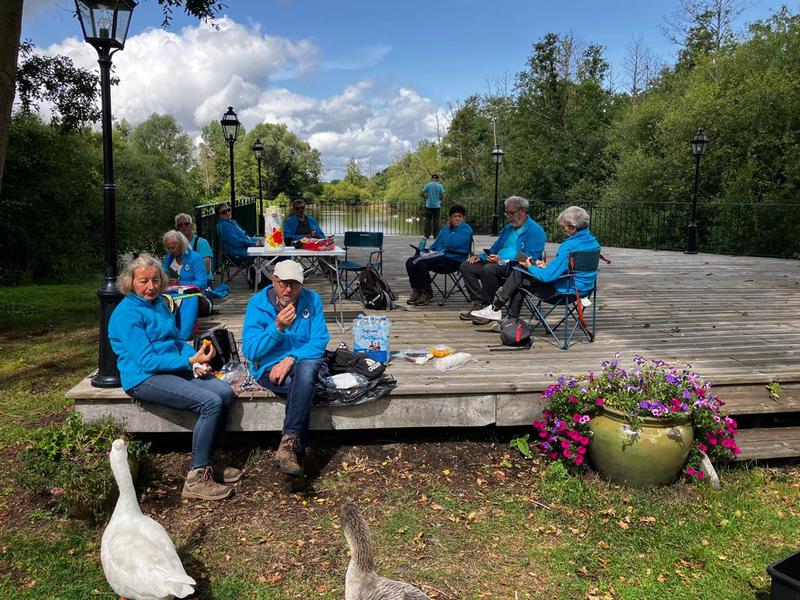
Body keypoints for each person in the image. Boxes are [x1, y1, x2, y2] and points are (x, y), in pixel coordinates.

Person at [108, 254, 238, 501]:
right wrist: (188, 362)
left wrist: (196, 361)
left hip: (172, 368)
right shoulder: (127, 314)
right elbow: (147, 361)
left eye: (155, 280)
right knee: (210, 403)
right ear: (130, 282)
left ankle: (212, 459)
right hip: (143, 377)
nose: (151, 286)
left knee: (224, 392)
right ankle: (197, 477)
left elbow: (177, 341)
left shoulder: (160, 303)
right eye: (144, 281)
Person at [241, 260, 330, 486]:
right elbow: (250, 351)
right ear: (274, 281)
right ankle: (295, 458)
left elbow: (319, 341)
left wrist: (291, 358)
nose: (288, 290)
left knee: (306, 374)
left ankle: (289, 445)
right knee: (306, 386)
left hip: (302, 360)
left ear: (302, 285)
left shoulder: (312, 300)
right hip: (269, 365)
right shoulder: (257, 304)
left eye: (294, 284)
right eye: (283, 284)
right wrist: (277, 328)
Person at [470, 205, 601, 322]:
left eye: (564, 226)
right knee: (520, 274)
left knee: (520, 273)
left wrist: (530, 266)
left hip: (563, 292)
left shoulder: (569, 246)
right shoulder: (594, 243)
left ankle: (500, 313)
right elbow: (575, 268)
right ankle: (504, 316)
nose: (563, 229)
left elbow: (547, 277)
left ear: (573, 228)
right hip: (584, 290)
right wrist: (546, 266)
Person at [459, 196, 545, 323]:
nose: (508, 217)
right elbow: (495, 248)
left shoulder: (535, 231)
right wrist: (481, 257)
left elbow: (528, 259)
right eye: (506, 213)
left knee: (489, 269)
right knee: (466, 266)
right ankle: (479, 303)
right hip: (496, 263)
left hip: (514, 268)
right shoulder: (508, 228)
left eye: (511, 213)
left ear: (523, 211)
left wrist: (502, 260)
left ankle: (488, 309)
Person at [405, 203, 473, 306]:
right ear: (450, 217)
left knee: (421, 263)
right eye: (454, 216)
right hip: (440, 256)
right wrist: (428, 252)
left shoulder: (466, 229)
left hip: (454, 260)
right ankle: (417, 290)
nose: (457, 219)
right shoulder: (446, 229)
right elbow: (435, 244)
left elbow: (451, 244)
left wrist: (448, 231)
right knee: (410, 262)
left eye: (460, 216)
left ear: (463, 218)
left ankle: (427, 293)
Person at [162, 230, 207, 340]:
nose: (171, 250)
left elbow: (202, 283)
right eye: (168, 248)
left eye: (173, 247)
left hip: (192, 296)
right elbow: (162, 274)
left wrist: (180, 282)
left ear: (181, 244)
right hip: (171, 294)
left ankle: (183, 332)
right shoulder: (169, 258)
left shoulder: (195, 258)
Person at [174, 212, 213, 286]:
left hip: (201, 281)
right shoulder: (175, 245)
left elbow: (206, 269)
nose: (183, 226)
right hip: (182, 281)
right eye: (180, 225)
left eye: (186, 224)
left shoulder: (201, 243)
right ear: (177, 228)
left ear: (191, 226)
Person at [420, 174, 446, 239]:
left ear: (431, 179)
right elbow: (443, 195)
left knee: (428, 220)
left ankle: (427, 235)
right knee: (436, 221)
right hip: (437, 206)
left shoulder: (427, 185)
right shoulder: (440, 186)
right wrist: (439, 199)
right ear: (437, 179)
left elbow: (422, 194)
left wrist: (426, 197)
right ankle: (436, 235)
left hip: (429, 205)